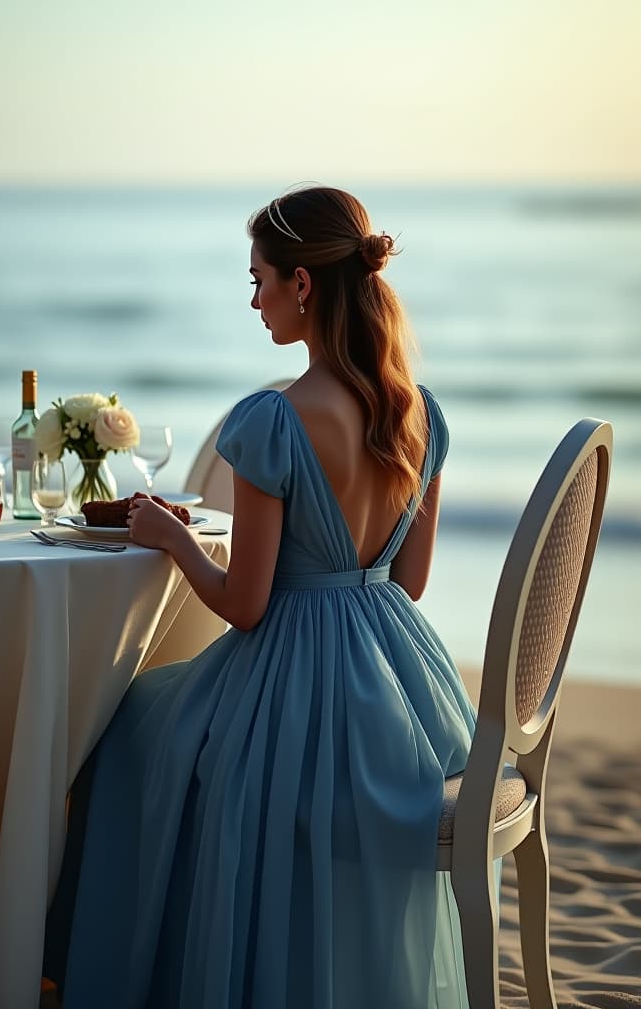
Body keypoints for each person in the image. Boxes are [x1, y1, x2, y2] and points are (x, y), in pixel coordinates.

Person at [43, 186, 476, 1008]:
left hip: (295, 684)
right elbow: (408, 584)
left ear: (303, 285)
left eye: (260, 280)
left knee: (129, 724)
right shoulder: (422, 415)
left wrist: (172, 540)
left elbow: (245, 606)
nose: (254, 300)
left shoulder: (274, 420)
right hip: (402, 700)